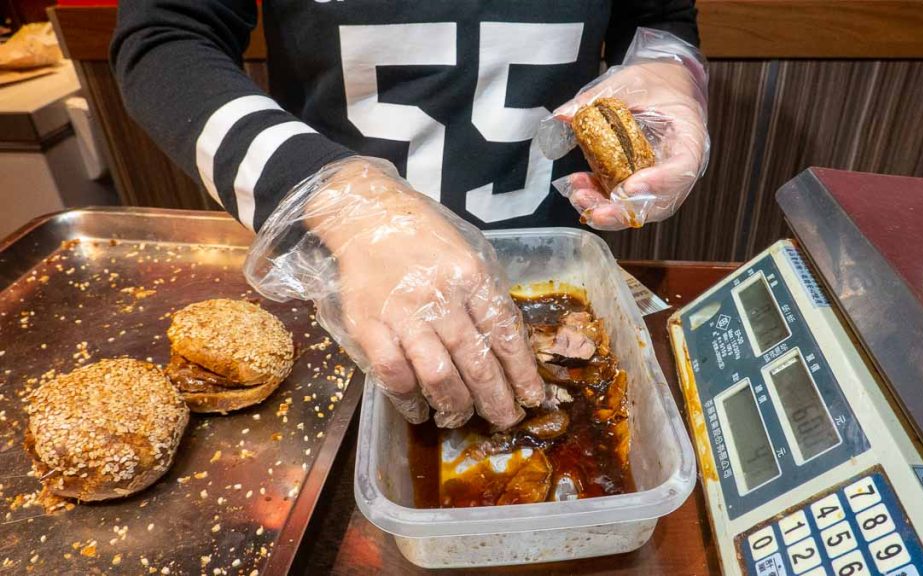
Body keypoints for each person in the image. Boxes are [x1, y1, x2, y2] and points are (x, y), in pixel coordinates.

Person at [111, 1, 709, 430]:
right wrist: (341, 201)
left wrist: (664, 67)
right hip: (344, 278)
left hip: (551, 258)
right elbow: (166, 33)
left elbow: (655, 16)